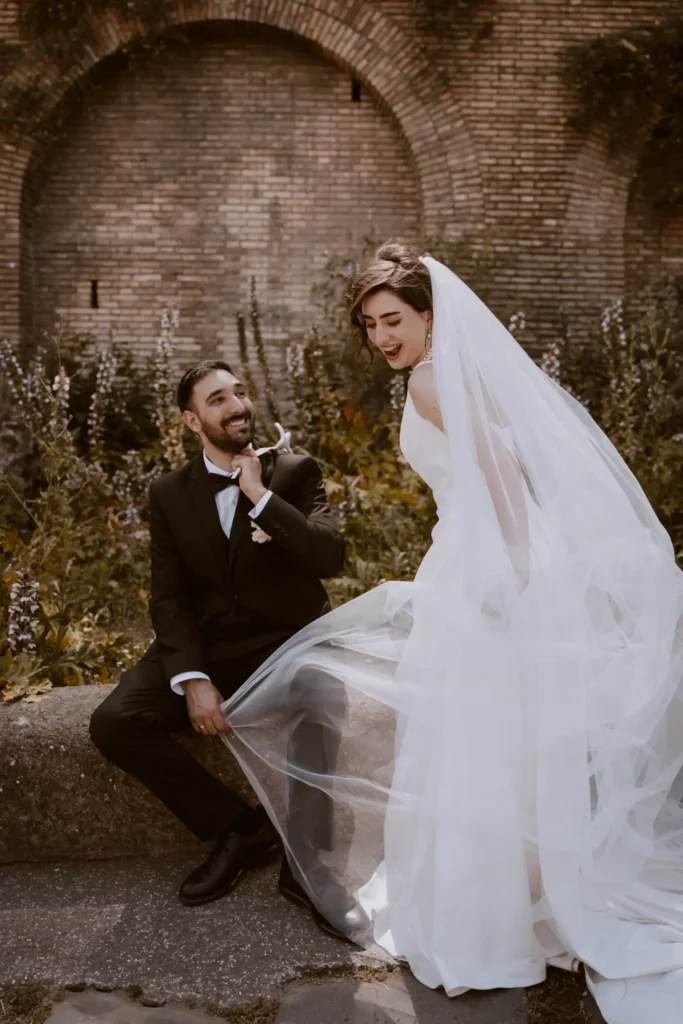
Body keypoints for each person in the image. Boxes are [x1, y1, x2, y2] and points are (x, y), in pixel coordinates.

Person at [221, 243, 683, 1024]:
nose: (381, 336)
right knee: (500, 743)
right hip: (475, 558)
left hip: (482, 571)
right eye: (369, 324)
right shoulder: (444, 374)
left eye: (392, 319)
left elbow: (499, 477)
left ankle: (487, 920)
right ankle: (522, 901)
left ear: (430, 315)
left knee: (472, 742)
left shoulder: (435, 379)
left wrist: (509, 570)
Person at [89, 359, 347, 932]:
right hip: (208, 646)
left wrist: (260, 497)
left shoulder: (296, 471)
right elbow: (169, 597)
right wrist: (192, 677)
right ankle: (240, 827)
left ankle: (305, 867)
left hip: (286, 644)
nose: (237, 406)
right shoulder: (169, 494)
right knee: (114, 721)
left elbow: (330, 558)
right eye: (217, 400)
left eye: (240, 392)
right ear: (191, 420)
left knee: (322, 692)